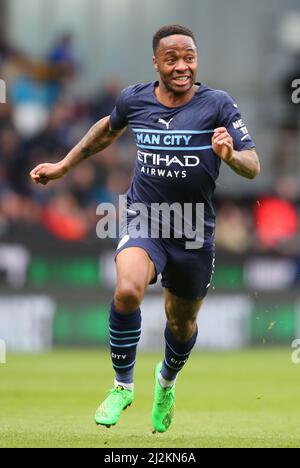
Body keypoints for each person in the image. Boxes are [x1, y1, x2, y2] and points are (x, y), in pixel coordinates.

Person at [30, 24, 260, 433]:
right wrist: (64, 166)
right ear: (156, 62)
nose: (181, 66)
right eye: (171, 58)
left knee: (181, 322)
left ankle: (166, 383)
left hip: (193, 229)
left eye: (188, 56)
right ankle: (122, 386)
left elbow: (252, 165)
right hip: (145, 218)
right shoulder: (133, 99)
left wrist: (229, 155)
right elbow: (107, 129)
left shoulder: (219, 105)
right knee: (127, 289)